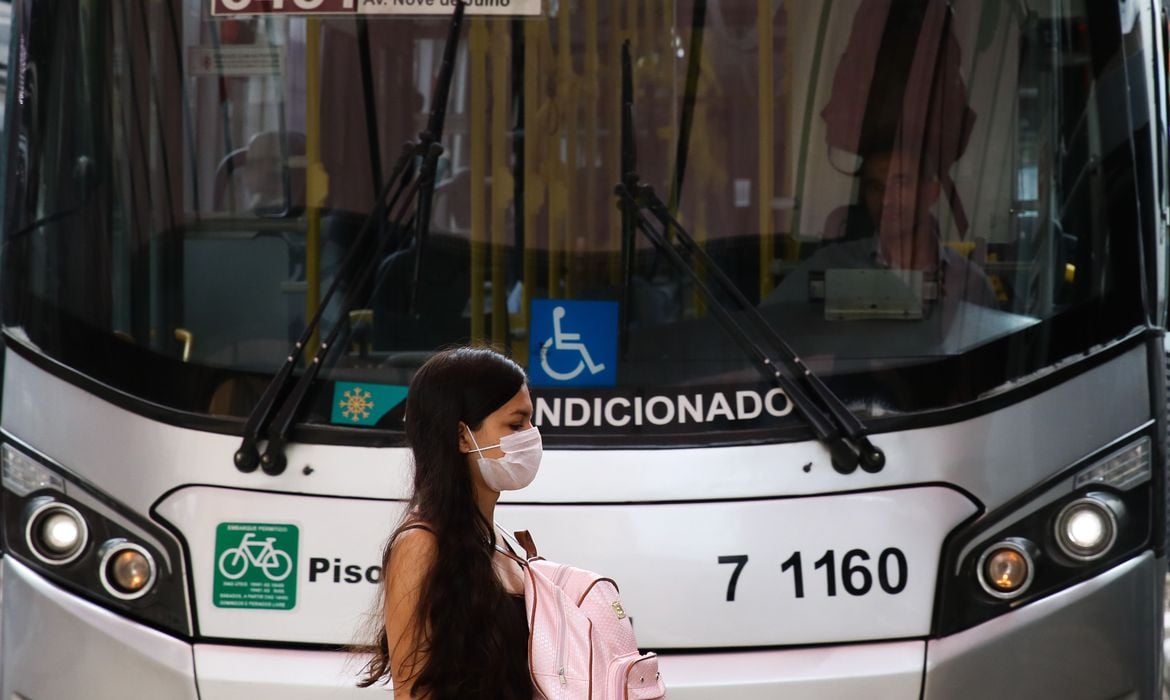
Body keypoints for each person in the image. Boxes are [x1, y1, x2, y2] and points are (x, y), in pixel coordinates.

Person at [357, 346, 539, 699]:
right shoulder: (422, 545)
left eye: (530, 421)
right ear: (461, 436)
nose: (531, 435)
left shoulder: (500, 540)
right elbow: (413, 692)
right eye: (516, 424)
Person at [765, 144, 997, 309]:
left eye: (901, 184)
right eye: (875, 188)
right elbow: (766, 331)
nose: (885, 200)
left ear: (931, 193)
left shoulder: (969, 282)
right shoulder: (831, 265)